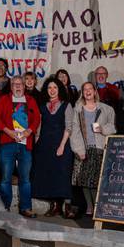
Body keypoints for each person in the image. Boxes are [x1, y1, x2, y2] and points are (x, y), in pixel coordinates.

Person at [0, 75, 41, 217]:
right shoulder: (4, 100)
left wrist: (29, 131)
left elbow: (37, 117)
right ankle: (4, 207)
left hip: (25, 144)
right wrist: (8, 132)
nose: (18, 86)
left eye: (20, 84)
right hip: (8, 143)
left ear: (24, 86)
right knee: (6, 177)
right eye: (14, 84)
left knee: (25, 178)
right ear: (11, 86)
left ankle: (25, 208)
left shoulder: (30, 100)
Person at [70, 82, 116, 217]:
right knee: (84, 180)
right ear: (82, 93)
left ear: (95, 91)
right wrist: (79, 149)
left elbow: (112, 127)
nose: (88, 91)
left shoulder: (107, 109)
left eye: (90, 89)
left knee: (96, 181)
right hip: (84, 148)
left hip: (99, 148)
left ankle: (98, 206)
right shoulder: (78, 109)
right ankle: (90, 207)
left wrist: (102, 129)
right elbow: (74, 130)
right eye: (85, 89)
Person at [31, 77, 74, 217]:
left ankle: (67, 207)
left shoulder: (66, 105)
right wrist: (36, 140)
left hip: (61, 143)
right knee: (49, 174)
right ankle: (54, 206)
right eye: (49, 88)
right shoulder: (43, 106)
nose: (52, 90)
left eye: (55, 87)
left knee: (62, 174)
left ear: (59, 89)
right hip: (45, 144)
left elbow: (69, 127)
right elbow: (39, 125)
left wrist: (62, 145)